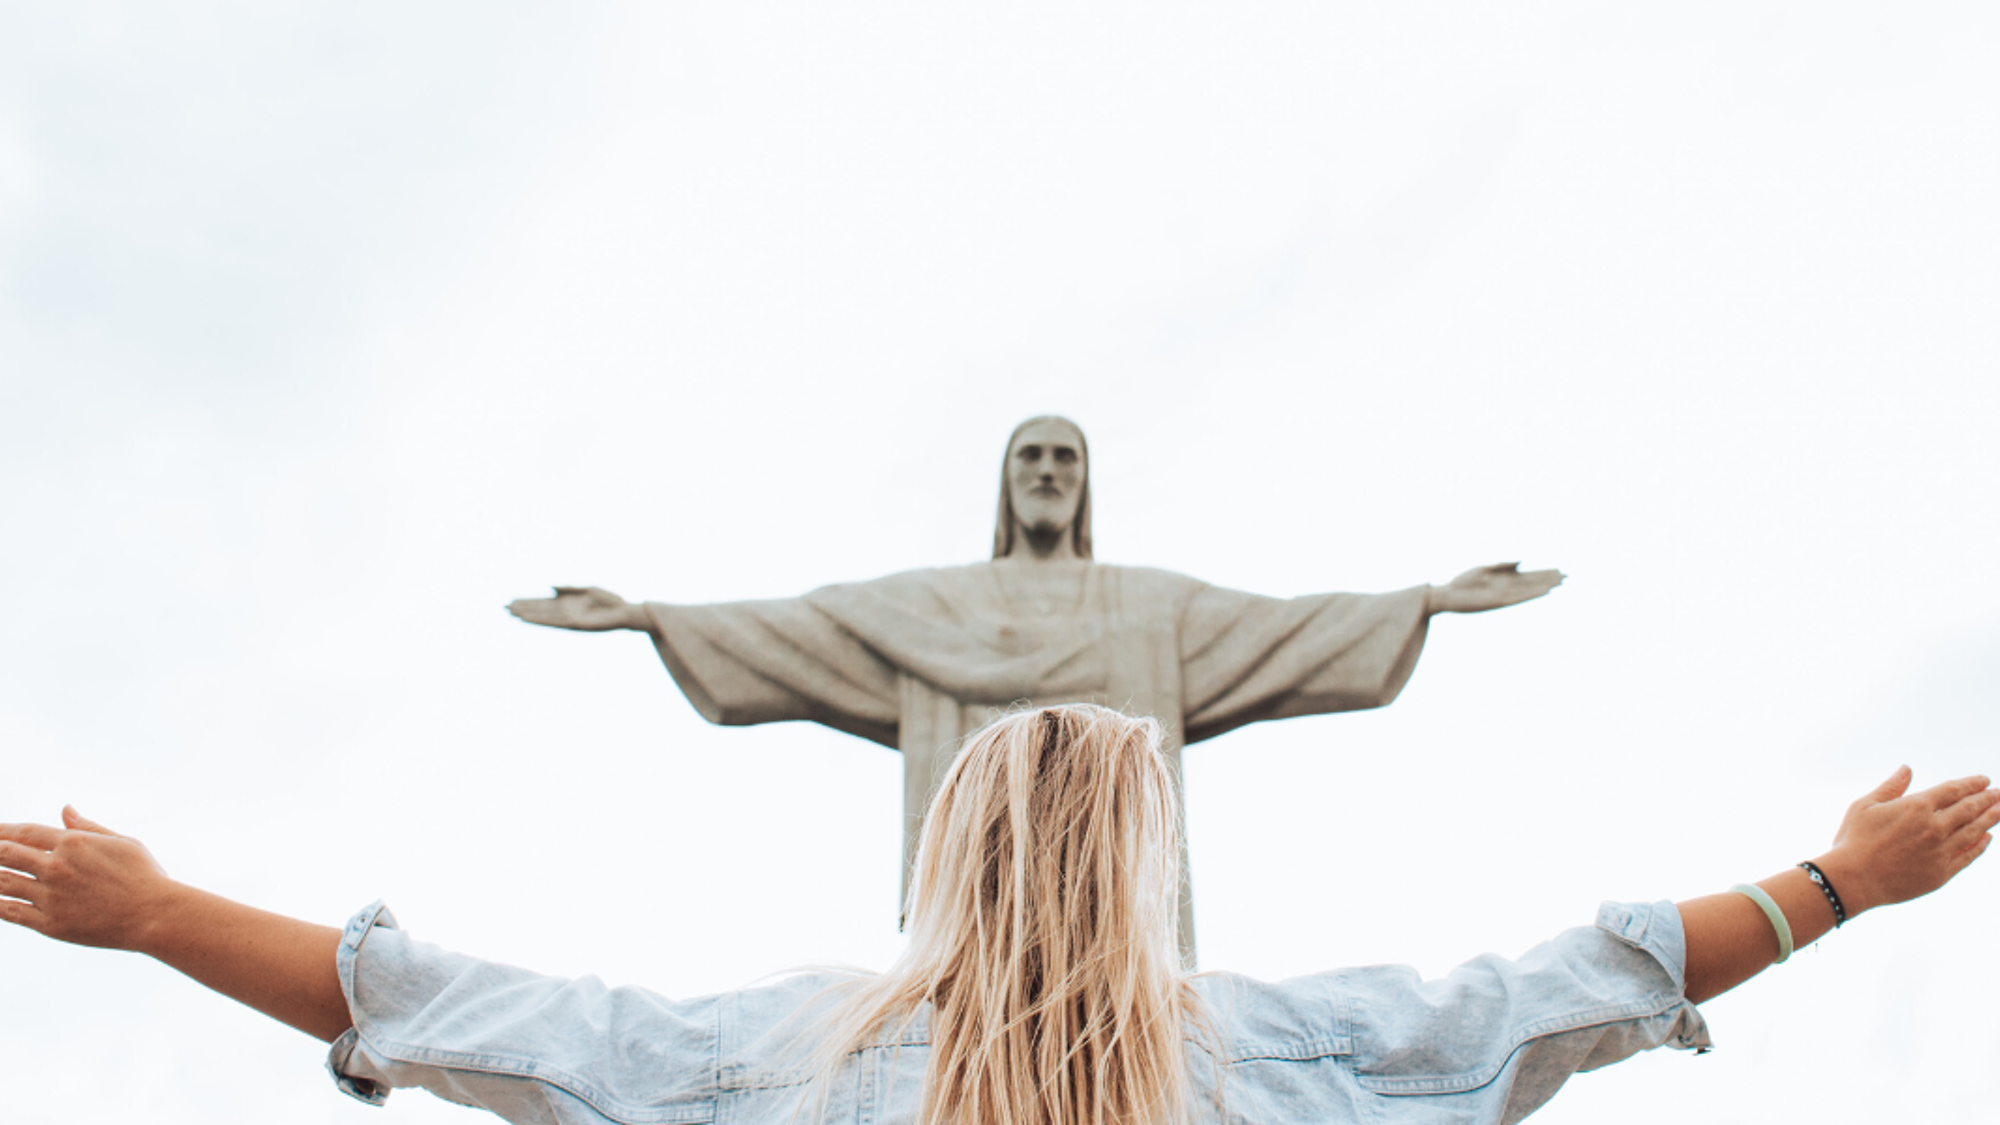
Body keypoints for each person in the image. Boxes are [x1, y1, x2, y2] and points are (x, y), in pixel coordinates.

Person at [1, 704, 1993, 1124]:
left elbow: (436, 1006)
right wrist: (1837, 882)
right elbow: (1589, 976)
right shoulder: (1298, 1057)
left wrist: (161, 911)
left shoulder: (766, 1069)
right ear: (1153, 859)